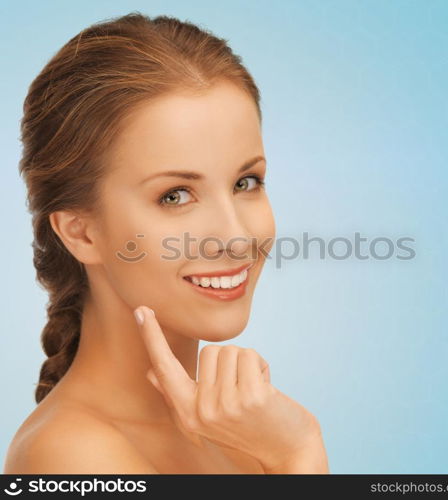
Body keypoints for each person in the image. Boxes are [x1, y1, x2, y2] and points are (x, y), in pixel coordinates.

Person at [3, 12, 328, 474]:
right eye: (174, 196)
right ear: (80, 231)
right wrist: (299, 453)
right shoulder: (70, 458)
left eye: (245, 182)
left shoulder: (242, 433)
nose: (236, 238)